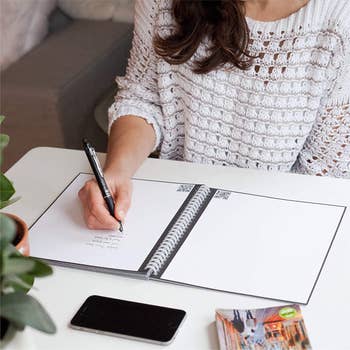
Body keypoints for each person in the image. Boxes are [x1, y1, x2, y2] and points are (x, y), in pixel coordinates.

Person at [79, 0, 350, 231]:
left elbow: (325, 176)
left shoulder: (340, 21)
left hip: (279, 225)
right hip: (172, 213)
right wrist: (117, 171)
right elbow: (144, 96)